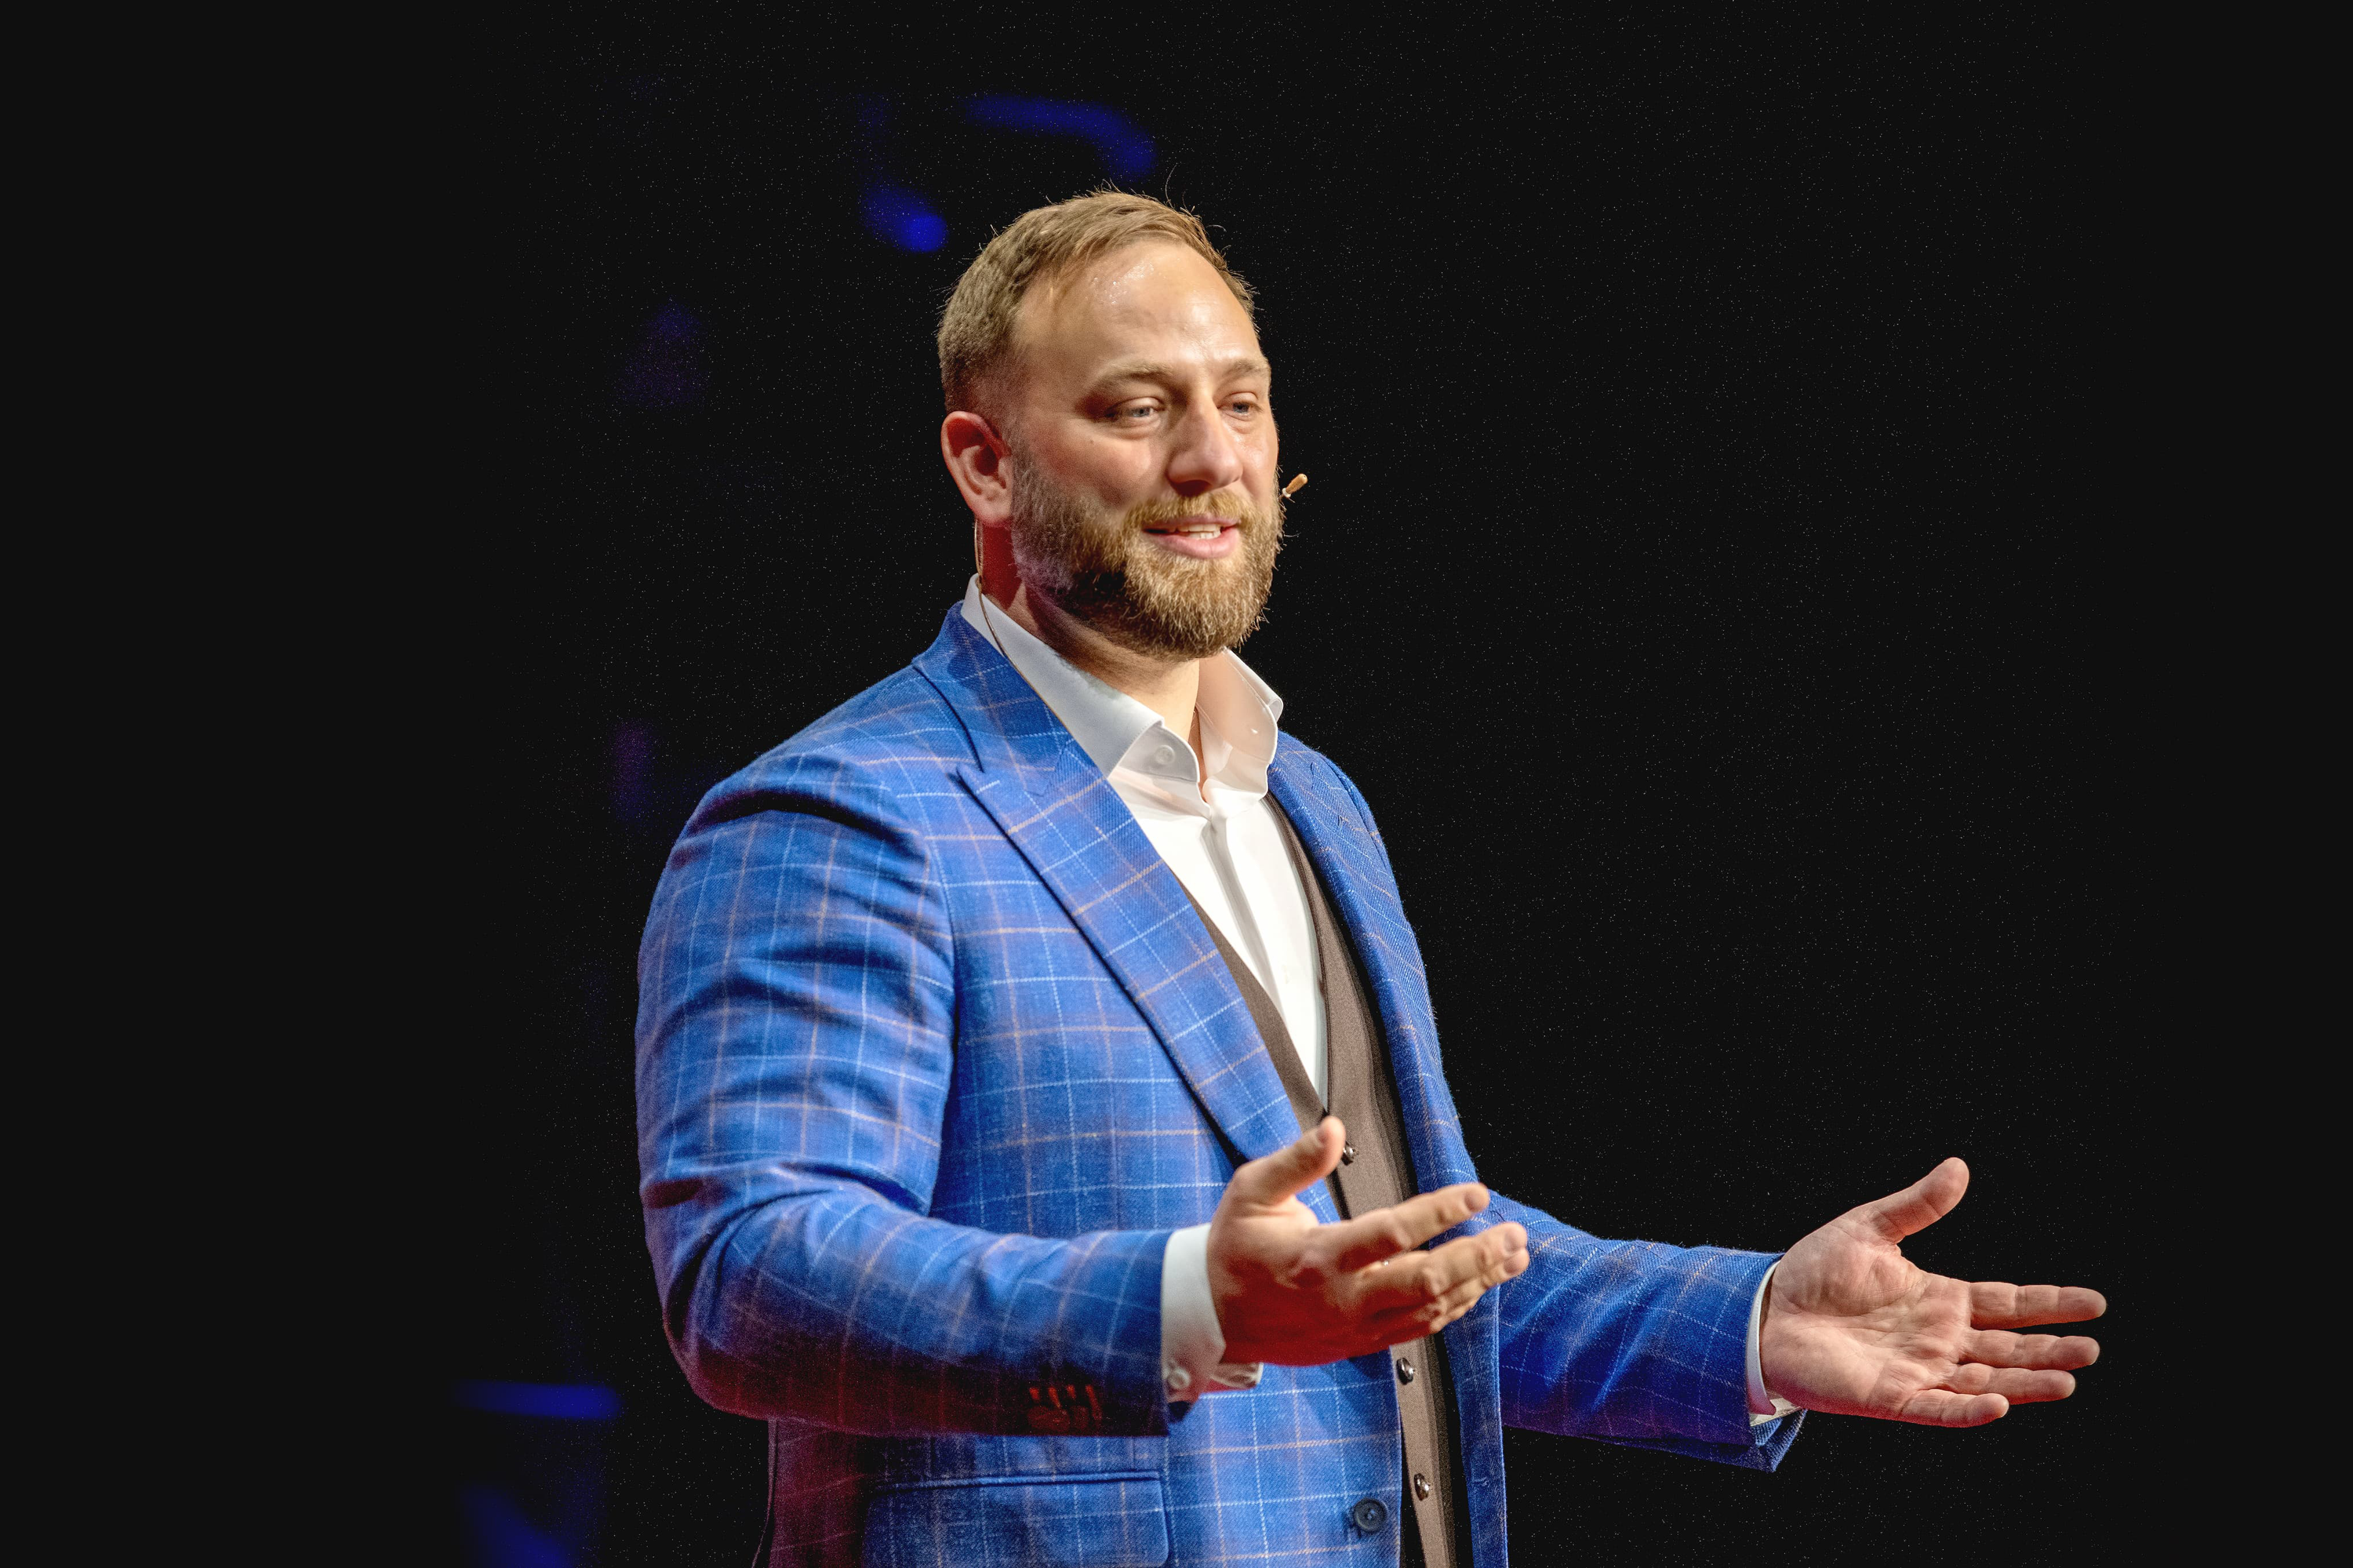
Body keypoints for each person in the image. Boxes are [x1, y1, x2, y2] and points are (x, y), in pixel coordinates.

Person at [634, 192, 2104, 1567]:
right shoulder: (847, 813)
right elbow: (750, 1279)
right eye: (1138, 408)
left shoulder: (1312, 798)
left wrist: (1748, 1323)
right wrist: (1186, 1302)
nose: (1212, 459)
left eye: (1241, 400)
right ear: (983, 463)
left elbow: (1410, 1265)